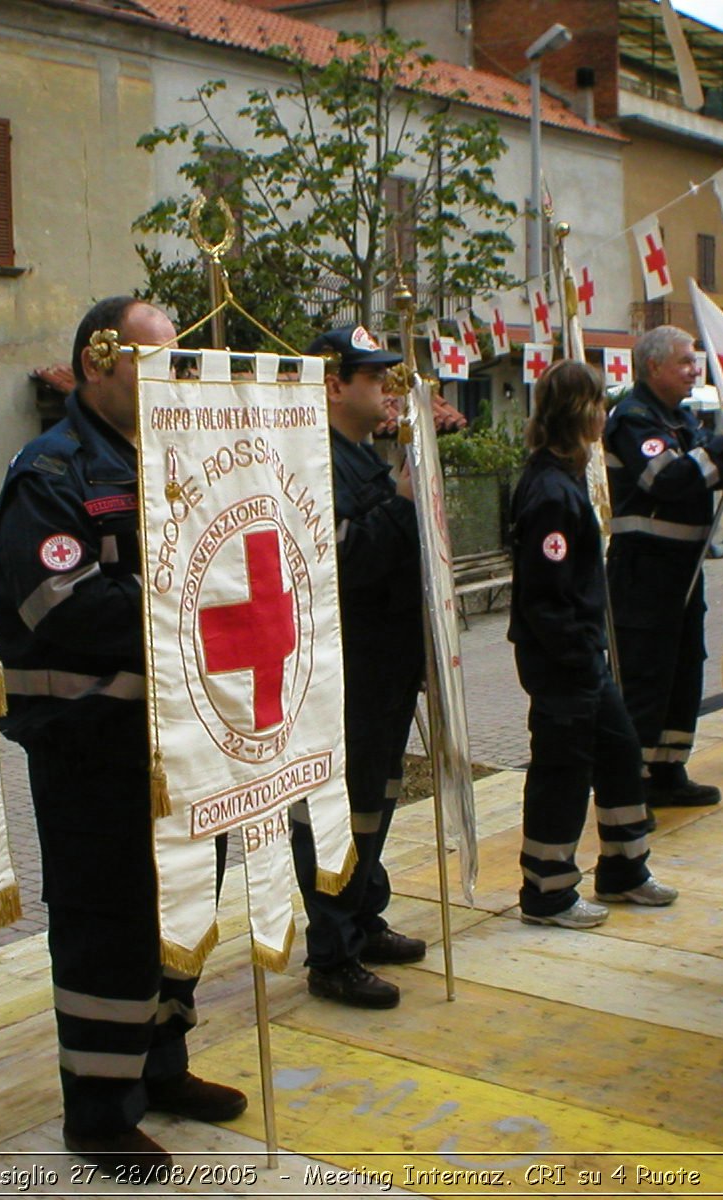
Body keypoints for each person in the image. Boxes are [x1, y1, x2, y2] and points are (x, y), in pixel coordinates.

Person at [0, 297, 246, 1172]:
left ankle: (160, 1066)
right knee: (106, 922)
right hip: (91, 746)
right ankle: (98, 1110)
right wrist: (187, 596)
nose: (173, 380)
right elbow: (59, 607)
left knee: (178, 904)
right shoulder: (49, 473)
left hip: (176, 741)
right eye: (157, 361)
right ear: (100, 361)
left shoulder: (170, 458)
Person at [509, 361, 678, 928]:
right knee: (562, 770)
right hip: (565, 661)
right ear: (580, 412)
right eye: (599, 405)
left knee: (619, 750)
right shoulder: (550, 491)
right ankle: (547, 892)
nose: (606, 414)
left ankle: (625, 869)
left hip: (583, 658)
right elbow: (544, 593)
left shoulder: (566, 474)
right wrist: (579, 654)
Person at [291, 324, 428, 1010]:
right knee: (340, 810)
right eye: (374, 377)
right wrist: (400, 502)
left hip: (388, 662)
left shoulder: (364, 455)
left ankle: (362, 912)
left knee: (378, 801)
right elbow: (341, 562)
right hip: (349, 665)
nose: (387, 389)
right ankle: (332, 950)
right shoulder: (312, 459)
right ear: (333, 383)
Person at [604, 325, 723, 806]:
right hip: (644, 573)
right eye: (685, 362)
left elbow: (703, 473)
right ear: (653, 366)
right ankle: (630, 785)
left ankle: (669, 771)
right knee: (645, 676)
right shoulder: (634, 419)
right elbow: (668, 480)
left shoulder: (679, 417)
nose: (693, 371)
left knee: (683, 671)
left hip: (684, 570)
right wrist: (721, 445)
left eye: (694, 361)